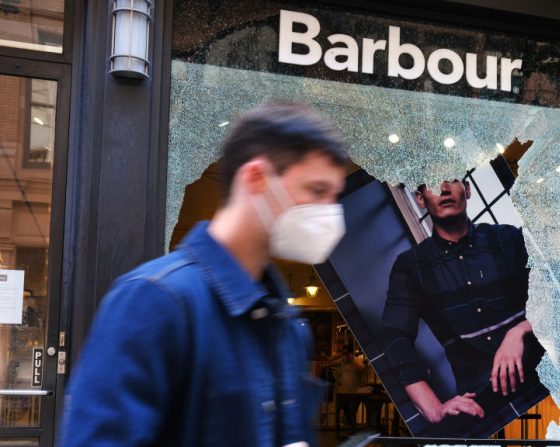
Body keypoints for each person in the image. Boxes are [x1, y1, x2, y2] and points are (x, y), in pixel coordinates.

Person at [60, 104, 349, 446]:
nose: (329, 213)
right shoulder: (154, 302)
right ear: (256, 179)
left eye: (334, 196)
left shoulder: (284, 323)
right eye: (317, 191)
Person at [381, 178, 547, 437]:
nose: (444, 188)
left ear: (467, 190)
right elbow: (395, 336)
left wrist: (520, 331)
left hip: (543, 380)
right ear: (421, 199)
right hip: (480, 407)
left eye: (452, 179)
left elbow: (555, 297)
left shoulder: (507, 239)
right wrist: (432, 407)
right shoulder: (410, 267)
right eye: (433, 183)